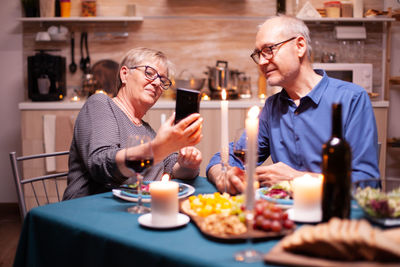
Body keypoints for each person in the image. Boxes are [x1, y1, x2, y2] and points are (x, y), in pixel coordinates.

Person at [206, 15, 379, 194]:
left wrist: (297, 179)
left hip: (333, 214)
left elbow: (366, 183)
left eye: (269, 49)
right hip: (282, 214)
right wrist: (223, 175)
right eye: (258, 54)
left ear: (300, 46)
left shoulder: (352, 99)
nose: (263, 62)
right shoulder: (272, 107)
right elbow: (225, 159)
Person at [63, 47, 203, 200]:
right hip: (90, 210)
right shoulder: (100, 104)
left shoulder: (147, 130)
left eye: (163, 80)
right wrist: (157, 149)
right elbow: (101, 164)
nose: (157, 83)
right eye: (149, 73)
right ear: (124, 74)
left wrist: (188, 164)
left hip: (137, 209)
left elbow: (171, 165)